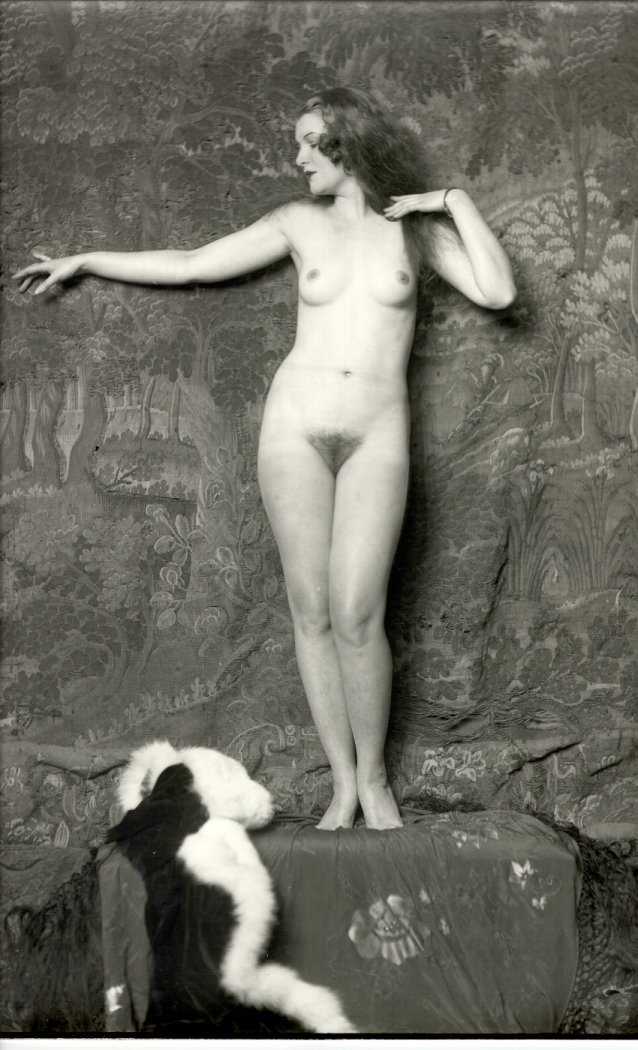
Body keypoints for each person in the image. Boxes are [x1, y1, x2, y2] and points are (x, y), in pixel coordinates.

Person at [13, 87, 516, 831]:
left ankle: (376, 780)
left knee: (358, 612)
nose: (299, 157)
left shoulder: (415, 232)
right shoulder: (296, 223)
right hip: (294, 429)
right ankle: (342, 784)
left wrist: (453, 201)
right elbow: (192, 264)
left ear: (348, 142)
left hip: (378, 434)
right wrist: (87, 260)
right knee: (311, 610)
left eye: (311, 142)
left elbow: (498, 292)